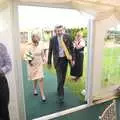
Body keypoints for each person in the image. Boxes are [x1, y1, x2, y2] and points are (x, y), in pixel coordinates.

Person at [47, 25, 75, 103]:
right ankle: (61, 95)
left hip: (65, 60)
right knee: (59, 78)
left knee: (63, 78)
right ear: (55, 31)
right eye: (57, 31)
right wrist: (49, 62)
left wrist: (73, 59)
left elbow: (72, 48)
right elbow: (50, 51)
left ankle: (59, 88)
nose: (59, 32)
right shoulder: (52, 39)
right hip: (57, 61)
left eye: (60, 30)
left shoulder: (68, 37)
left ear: (63, 30)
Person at [24, 34, 46, 102]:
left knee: (40, 78)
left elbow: (43, 55)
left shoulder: (40, 46)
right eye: (35, 42)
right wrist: (30, 62)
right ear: (33, 41)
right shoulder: (29, 47)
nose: (37, 44)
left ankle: (42, 95)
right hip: (32, 65)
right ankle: (35, 89)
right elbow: (26, 58)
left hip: (39, 64)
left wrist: (44, 59)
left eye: (38, 42)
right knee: (35, 78)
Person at [0, 43, 12, 120]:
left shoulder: (1, 47)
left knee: (4, 113)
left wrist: (1, 70)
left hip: (1, 83)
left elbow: (9, 65)